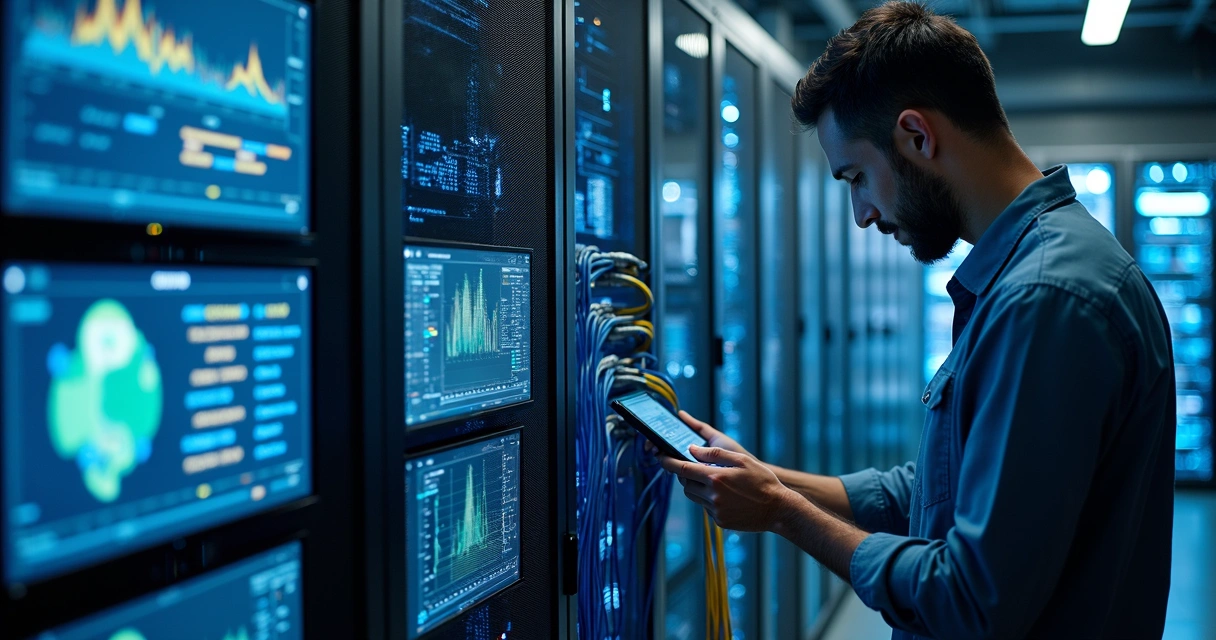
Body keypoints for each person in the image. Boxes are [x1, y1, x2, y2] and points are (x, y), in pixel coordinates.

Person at [657, 3, 1176, 639]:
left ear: (917, 137)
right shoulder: (1031, 275)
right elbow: (942, 493)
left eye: (857, 177)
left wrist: (780, 512)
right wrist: (767, 480)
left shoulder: (1045, 297)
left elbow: (972, 599)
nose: (862, 214)